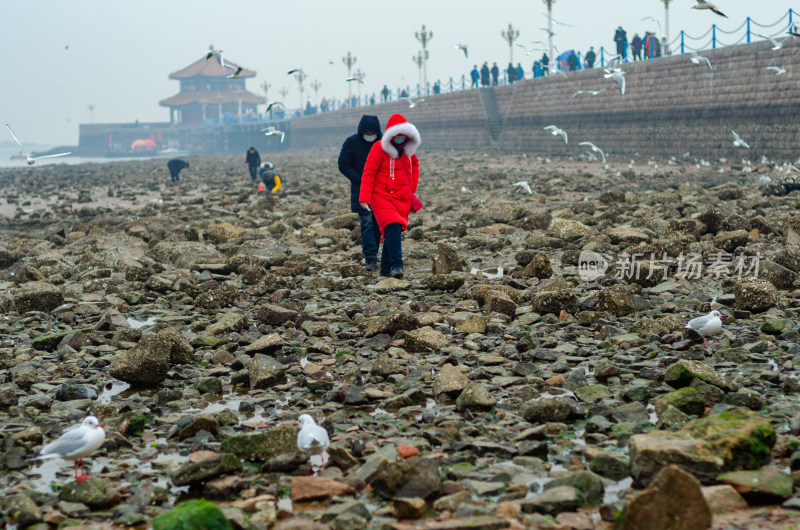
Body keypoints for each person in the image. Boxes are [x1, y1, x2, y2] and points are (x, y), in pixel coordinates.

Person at [359, 113, 420, 279]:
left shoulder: (408, 150)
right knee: (392, 224)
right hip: (380, 196)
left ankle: (385, 269)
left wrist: (411, 188)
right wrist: (364, 197)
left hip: (401, 197)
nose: (400, 138)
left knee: (393, 229)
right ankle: (397, 265)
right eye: (397, 135)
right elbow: (369, 172)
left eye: (403, 136)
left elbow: (415, 164)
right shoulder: (379, 148)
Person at [338, 115, 383, 271]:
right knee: (367, 222)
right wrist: (359, 179)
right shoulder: (351, 142)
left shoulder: (383, 142)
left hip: (380, 190)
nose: (370, 136)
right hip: (360, 189)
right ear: (361, 131)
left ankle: (374, 253)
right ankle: (370, 257)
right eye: (367, 133)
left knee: (378, 225)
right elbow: (343, 164)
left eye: (372, 133)